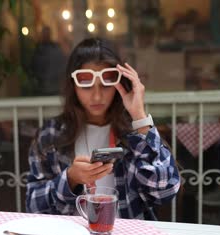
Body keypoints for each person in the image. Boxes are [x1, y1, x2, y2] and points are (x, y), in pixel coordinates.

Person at [26, 38, 180, 219]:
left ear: (119, 83)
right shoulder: (51, 135)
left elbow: (165, 190)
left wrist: (139, 115)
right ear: (73, 85)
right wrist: (71, 179)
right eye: (87, 84)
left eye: (106, 84)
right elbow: (33, 206)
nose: (97, 96)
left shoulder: (135, 132)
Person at [30, 26, 67, 96]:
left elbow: (62, 67)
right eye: (44, 34)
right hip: (41, 89)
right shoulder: (37, 50)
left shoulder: (56, 49)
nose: (45, 36)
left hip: (54, 88)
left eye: (46, 34)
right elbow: (33, 68)